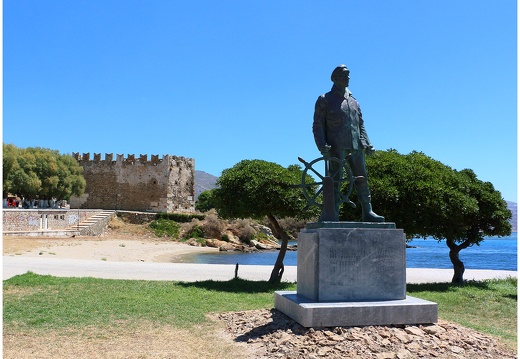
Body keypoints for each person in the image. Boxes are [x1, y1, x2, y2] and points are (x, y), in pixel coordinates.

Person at [312, 64, 384, 222]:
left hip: (356, 146)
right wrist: (322, 145)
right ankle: (332, 214)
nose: (348, 78)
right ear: (335, 78)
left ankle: (368, 211)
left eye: (349, 76)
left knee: (362, 179)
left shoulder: (354, 101)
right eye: (345, 76)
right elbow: (318, 125)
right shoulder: (325, 99)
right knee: (335, 181)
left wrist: (367, 143)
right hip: (336, 147)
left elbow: (361, 125)